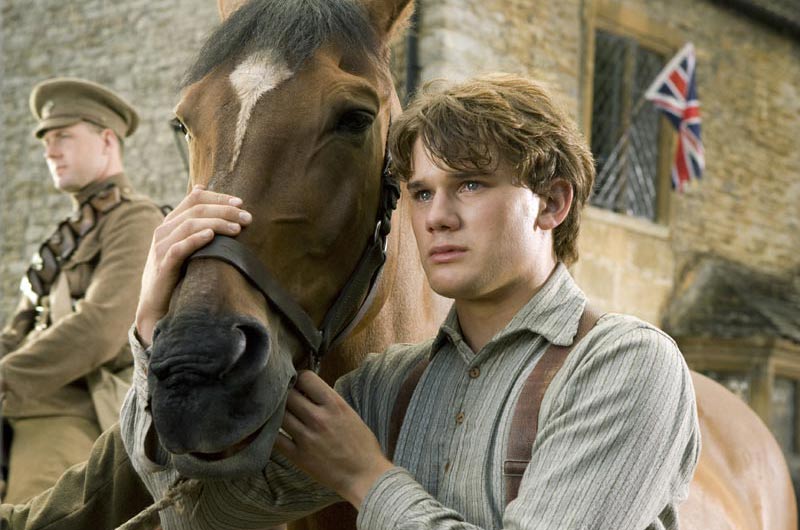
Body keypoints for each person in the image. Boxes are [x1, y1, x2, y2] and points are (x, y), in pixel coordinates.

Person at [0, 73, 700, 529]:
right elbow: (198, 511)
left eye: (472, 186)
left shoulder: (628, 364)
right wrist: (156, 334)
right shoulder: (387, 387)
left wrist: (368, 478)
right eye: (421, 192)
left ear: (552, 202)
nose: (437, 216)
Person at [0, 78, 164, 503]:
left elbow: (99, 330)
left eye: (63, 137)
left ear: (107, 140)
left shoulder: (135, 219)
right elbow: (19, 331)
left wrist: (5, 378)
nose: (49, 151)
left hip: (74, 410)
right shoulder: (65, 240)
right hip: (24, 402)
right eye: (46, 141)